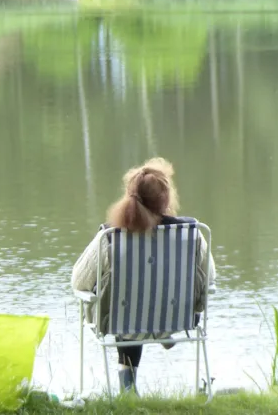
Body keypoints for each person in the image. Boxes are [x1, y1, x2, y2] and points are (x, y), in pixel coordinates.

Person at [71, 157, 215, 394]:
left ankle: (127, 387)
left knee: (125, 302)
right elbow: (209, 279)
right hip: (176, 315)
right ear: (166, 198)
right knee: (149, 296)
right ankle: (162, 330)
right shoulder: (192, 234)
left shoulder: (110, 237)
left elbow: (79, 281)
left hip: (123, 319)